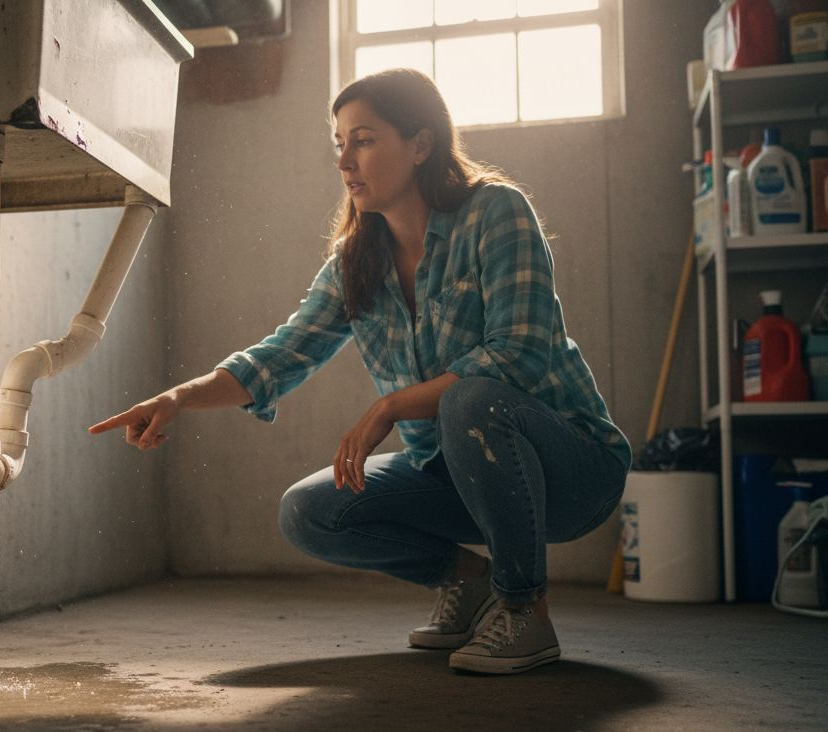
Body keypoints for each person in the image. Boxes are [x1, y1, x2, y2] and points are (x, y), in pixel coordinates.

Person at [88, 68, 630, 675]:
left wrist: (390, 406)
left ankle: (525, 609)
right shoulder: (357, 261)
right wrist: (178, 397)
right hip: (459, 473)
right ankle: (470, 585)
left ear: (421, 144)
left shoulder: (495, 213)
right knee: (311, 510)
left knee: (472, 400)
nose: (346, 161)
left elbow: (518, 352)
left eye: (365, 140)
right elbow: (281, 355)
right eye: (339, 143)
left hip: (573, 470)